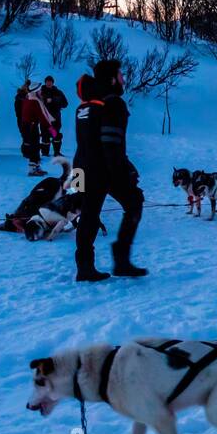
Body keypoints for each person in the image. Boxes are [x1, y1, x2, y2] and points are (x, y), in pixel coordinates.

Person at [72, 61, 146, 281]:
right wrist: (126, 172)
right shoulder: (113, 103)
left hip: (81, 167)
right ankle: (121, 260)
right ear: (112, 79)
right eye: (121, 75)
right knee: (134, 203)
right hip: (101, 169)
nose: (123, 79)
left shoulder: (85, 105)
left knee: (88, 215)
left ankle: (84, 266)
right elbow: (110, 144)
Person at [18, 84, 55, 176]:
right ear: (35, 91)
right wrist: (51, 129)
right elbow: (42, 116)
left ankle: (37, 167)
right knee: (34, 147)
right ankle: (32, 169)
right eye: (39, 91)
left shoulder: (28, 99)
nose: (41, 92)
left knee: (35, 146)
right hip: (31, 126)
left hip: (28, 126)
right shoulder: (35, 101)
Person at [38, 76, 68, 157]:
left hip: (55, 119)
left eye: (50, 81)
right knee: (45, 136)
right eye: (47, 81)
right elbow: (35, 103)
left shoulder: (58, 92)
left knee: (55, 135)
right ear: (45, 82)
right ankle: (45, 153)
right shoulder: (40, 92)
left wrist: (53, 100)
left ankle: (57, 152)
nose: (49, 83)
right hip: (44, 119)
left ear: (53, 82)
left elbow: (65, 104)